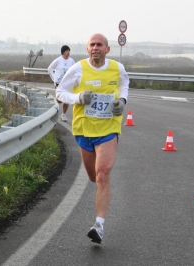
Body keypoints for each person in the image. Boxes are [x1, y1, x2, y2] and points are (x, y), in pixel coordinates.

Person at [56, 33, 129, 244]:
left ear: (107, 49)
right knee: (93, 177)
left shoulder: (117, 68)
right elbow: (60, 92)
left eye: (100, 45)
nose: (96, 47)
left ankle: (99, 225)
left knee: (103, 174)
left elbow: (124, 85)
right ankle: (99, 212)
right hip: (84, 130)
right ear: (87, 49)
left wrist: (122, 101)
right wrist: (78, 97)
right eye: (92, 45)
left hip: (108, 129)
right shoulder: (78, 69)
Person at [47, 45, 75, 122]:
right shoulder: (58, 60)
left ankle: (63, 115)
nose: (68, 52)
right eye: (67, 51)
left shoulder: (71, 61)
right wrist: (54, 79)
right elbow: (49, 69)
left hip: (68, 83)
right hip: (59, 83)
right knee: (59, 100)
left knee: (66, 99)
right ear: (63, 52)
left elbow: (75, 70)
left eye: (69, 51)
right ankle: (52, 109)